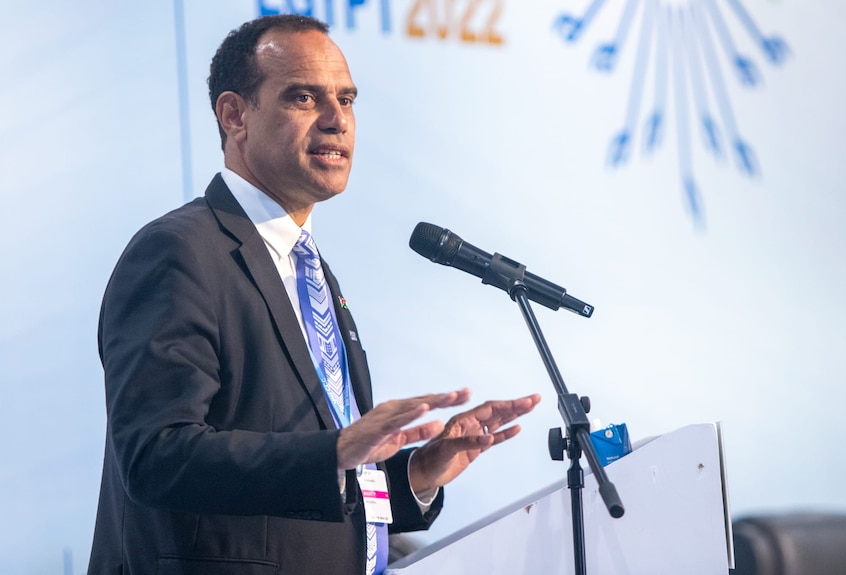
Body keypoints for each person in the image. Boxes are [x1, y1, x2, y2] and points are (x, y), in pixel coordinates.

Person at [87, 14, 540, 575]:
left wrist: (417, 474)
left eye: (346, 100)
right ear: (234, 115)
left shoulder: (311, 270)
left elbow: (312, 499)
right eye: (304, 97)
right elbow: (156, 457)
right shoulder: (179, 253)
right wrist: (335, 451)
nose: (336, 121)